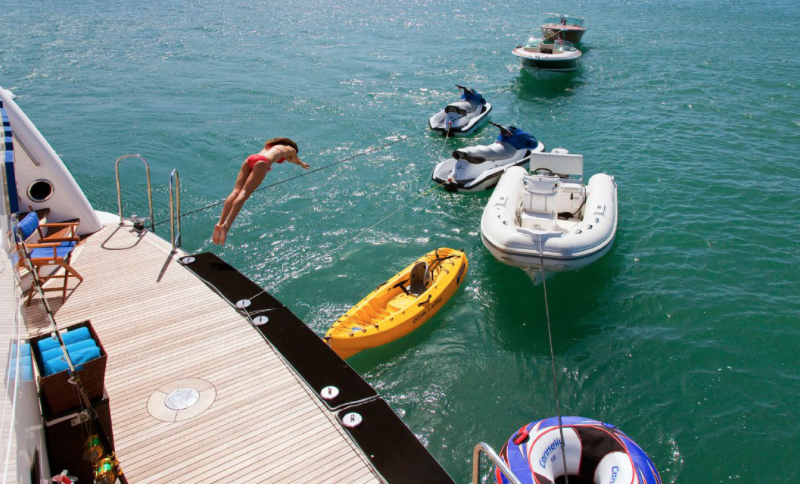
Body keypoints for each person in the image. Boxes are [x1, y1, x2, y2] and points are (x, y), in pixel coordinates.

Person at [212, 137, 309, 245]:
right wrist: (300, 163)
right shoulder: (290, 148)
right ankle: (226, 226)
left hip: (251, 158)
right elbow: (293, 156)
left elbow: (280, 156)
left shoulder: (271, 146)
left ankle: (220, 222)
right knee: (244, 193)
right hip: (262, 162)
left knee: (236, 191)